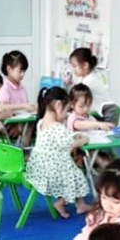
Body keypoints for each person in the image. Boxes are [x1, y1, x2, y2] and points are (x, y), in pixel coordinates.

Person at [25, 86, 91, 218]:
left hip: (39, 169)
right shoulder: (57, 128)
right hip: (50, 173)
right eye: (66, 110)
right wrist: (84, 139)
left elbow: (61, 141)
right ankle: (62, 202)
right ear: (58, 106)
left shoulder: (41, 122)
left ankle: (80, 204)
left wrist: (73, 137)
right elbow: (71, 144)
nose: (66, 115)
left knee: (72, 170)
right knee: (77, 175)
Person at [68, 47, 118, 124]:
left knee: (105, 130)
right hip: (100, 111)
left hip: (108, 111)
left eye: (75, 66)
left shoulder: (89, 80)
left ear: (85, 65)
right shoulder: (83, 78)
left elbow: (77, 97)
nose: (73, 70)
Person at [0, 50, 36, 142]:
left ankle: (24, 146)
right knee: (28, 126)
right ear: (9, 69)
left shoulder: (21, 87)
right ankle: (22, 148)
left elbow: (25, 108)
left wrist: (32, 108)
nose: (22, 74)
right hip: (9, 125)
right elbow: (2, 108)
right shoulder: (4, 87)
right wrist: (23, 106)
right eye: (20, 71)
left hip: (21, 122)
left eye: (24, 71)